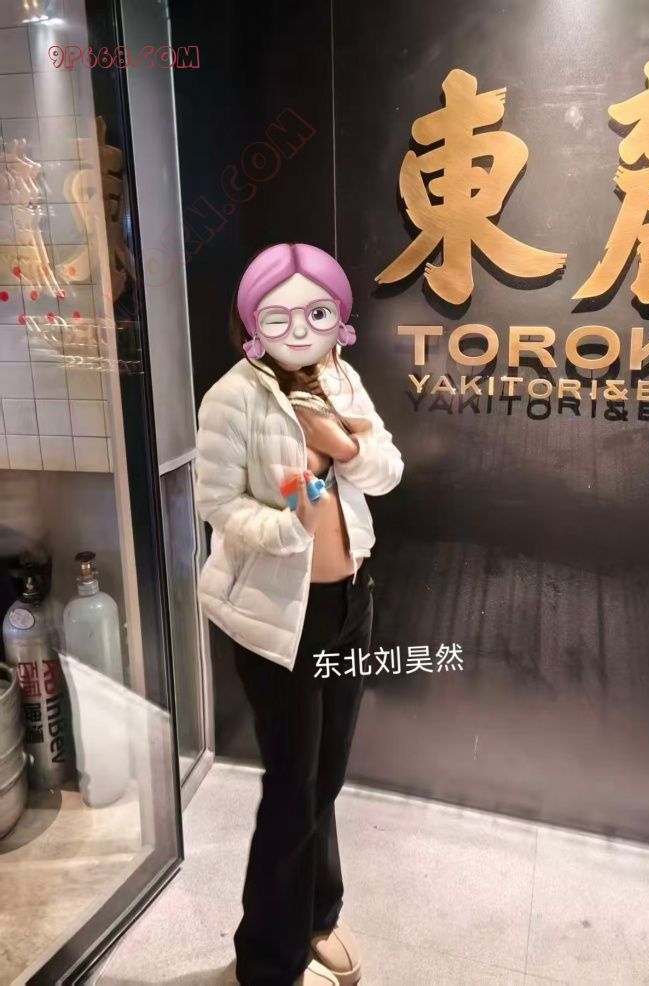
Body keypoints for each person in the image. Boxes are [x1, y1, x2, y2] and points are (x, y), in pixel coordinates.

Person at [194, 242, 404, 986]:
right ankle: (267, 961)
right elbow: (218, 505)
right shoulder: (232, 398)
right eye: (280, 315)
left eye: (316, 313)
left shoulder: (340, 377)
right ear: (252, 321)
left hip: (350, 606)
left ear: (336, 317)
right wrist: (296, 510)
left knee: (327, 778)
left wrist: (339, 443)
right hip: (279, 618)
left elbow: (387, 470)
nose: (300, 329)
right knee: (293, 787)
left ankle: (318, 915)